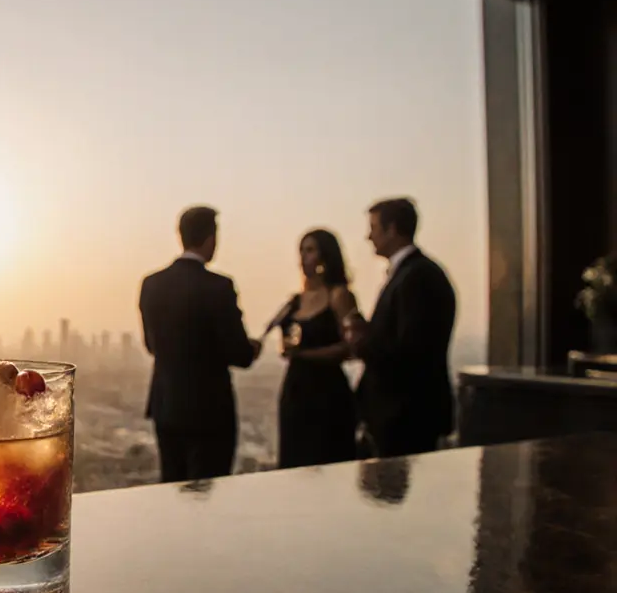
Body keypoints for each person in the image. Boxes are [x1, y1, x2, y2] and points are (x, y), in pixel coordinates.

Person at [140, 206, 261, 482]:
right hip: (210, 410)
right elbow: (239, 353)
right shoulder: (219, 286)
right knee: (209, 492)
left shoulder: (151, 284)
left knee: (172, 484)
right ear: (211, 238)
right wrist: (253, 348)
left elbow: (152, 345)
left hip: (167, 404)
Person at [344, 197, 457, 458]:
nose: (368, 237)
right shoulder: (414, 274)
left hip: (406, 415)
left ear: (392, 229)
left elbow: (409, 351)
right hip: (403, 413)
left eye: (373, 228)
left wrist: (360, 342)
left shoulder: (417, 277)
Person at [276, 229, 360, 469]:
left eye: (310, 250)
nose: (304, 257)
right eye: (301, 251)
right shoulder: (296, 301)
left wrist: (306, 355)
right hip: (296, 391)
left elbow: (351, 347)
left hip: (327, 393)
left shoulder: (339, 296)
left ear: (325, 255)